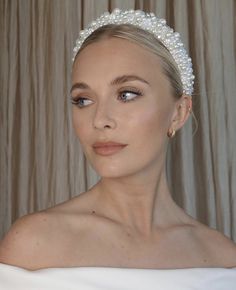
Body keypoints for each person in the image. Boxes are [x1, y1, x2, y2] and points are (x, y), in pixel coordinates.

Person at [0, 9, 235, 289]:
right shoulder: (33, 245)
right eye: (83, 100)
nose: (100, 120)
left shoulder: (222, 258)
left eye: (126, 94)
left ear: (179, 112)